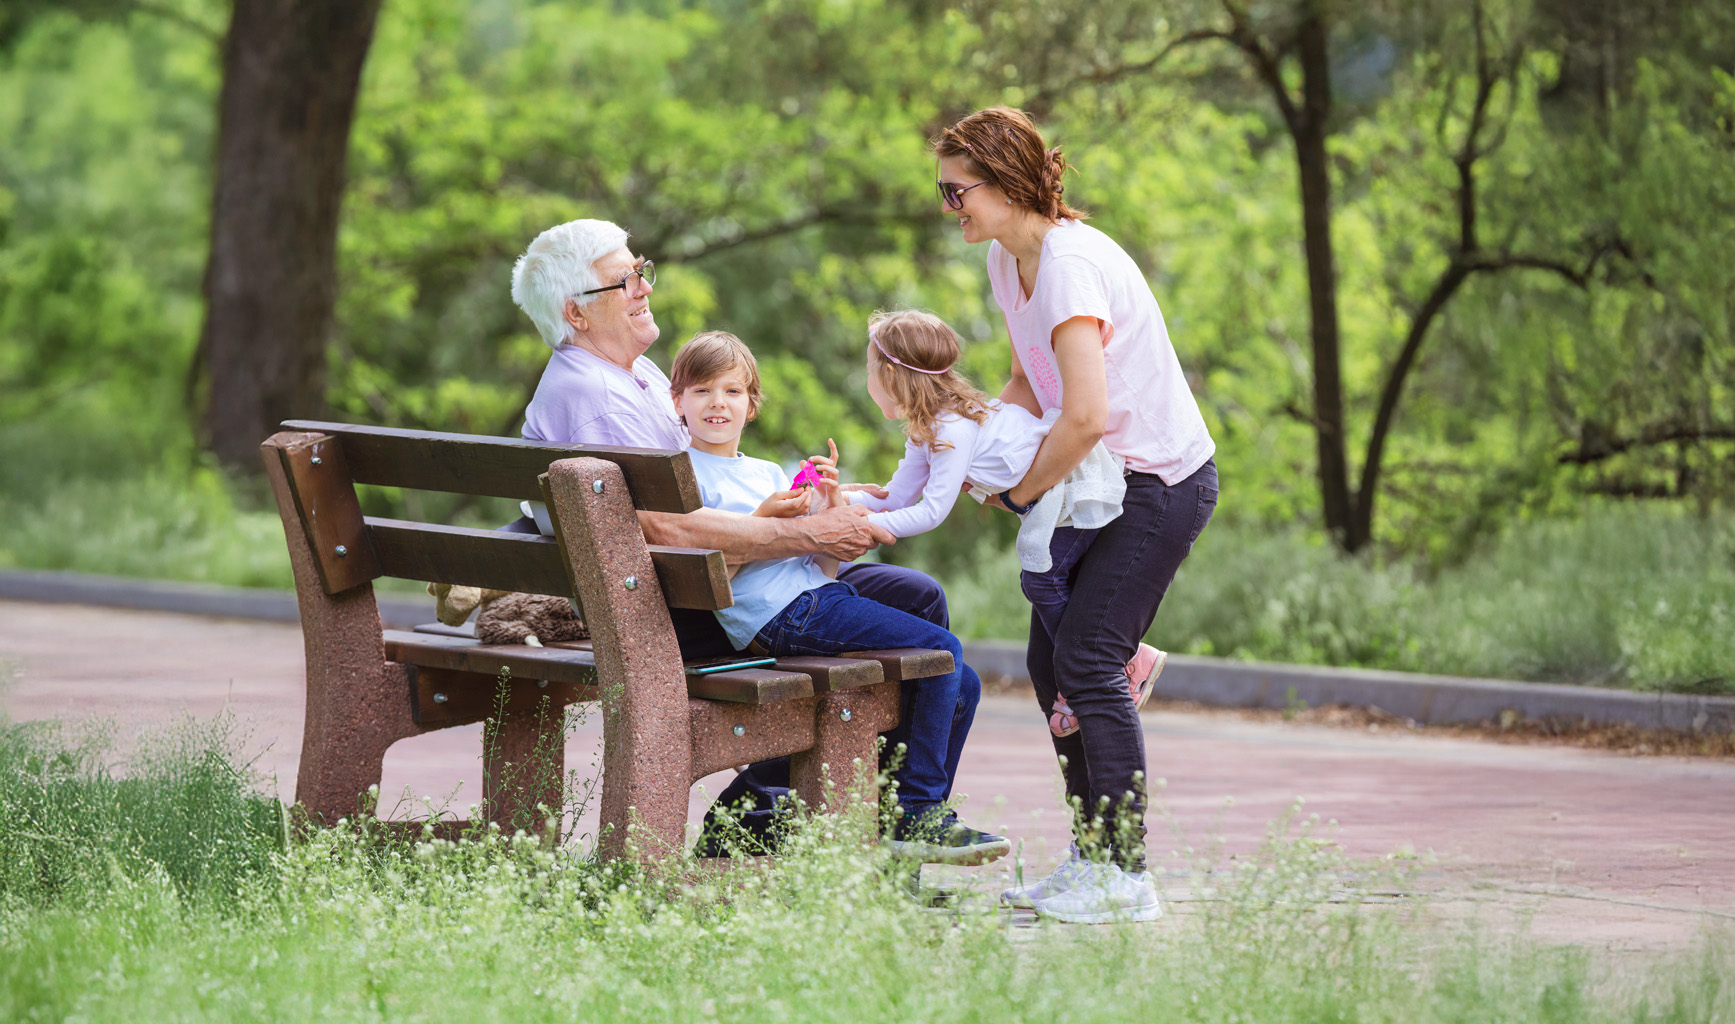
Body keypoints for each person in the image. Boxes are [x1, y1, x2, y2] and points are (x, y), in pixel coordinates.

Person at [506, 218, 964, 850]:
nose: (643, 286)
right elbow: (669, 529)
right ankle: (778, 807)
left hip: (708, 582)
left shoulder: (625, 376)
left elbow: (705, 491)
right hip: (681, 608)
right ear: (575, 313)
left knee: (918, 598)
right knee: (926, 638)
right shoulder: (597, 397)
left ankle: (872, 820)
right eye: (625, 279)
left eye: (640, 270)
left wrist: (812, 508)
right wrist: (814, 535)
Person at [932, 108, 1219, 923]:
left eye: (957, 192)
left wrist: (1021, 494)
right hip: (1098, 486)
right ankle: (1093, 860)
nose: (949, 208)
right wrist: (976, 448)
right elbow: (1032, 383)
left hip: (1156, 484)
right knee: (1054, 661)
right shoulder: (1005, 259)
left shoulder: (1067, 265)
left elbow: (1086, 416)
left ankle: (1127, 878)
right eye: (944, 192)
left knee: (1087, 658)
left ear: (1008, 183)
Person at [664, 329, 1007, 864]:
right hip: (773, 617)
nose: (717, 404)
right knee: (941, 652)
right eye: (702, 391)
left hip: (813, 599)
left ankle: (904, 818)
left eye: (732, 392)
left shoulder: (765, 472)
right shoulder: (683, 477)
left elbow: (816, 564)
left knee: (960, 680)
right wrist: (762, 523)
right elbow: (708, 570)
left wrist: (823, 513)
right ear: (676, 400)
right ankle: (918, 814)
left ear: (751, 405)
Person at [846, 308, 1168, 737]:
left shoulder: (950, 430)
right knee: (1048, 579)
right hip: (1047, 495)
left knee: (1043, 577)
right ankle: (1111, 659)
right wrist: (840, 498)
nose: (868, 382)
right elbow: (899, 496)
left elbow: (930, 512)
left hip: (1072, 484)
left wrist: (867, 526)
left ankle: (1104, 667)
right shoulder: (928, 427)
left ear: (888, 375)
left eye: (868, 370)